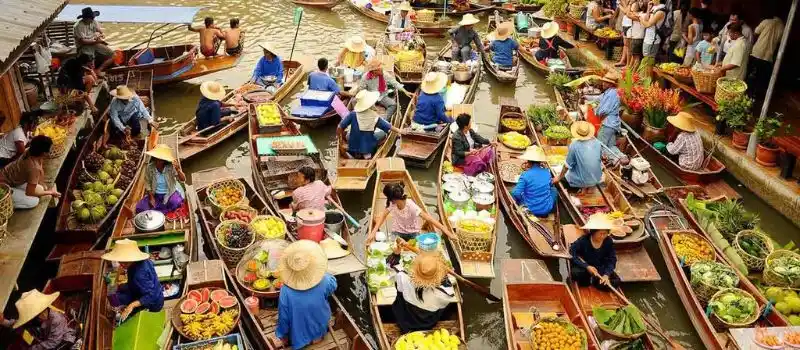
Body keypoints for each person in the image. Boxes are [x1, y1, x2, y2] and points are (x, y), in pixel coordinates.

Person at [276, 240, 337, 349]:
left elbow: (283, 318)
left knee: (296, 329)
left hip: (299, 335)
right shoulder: (325, 280)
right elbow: (333, 285)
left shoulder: (285, 291)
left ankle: (305, 341)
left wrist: (281, 335)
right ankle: (317, 338)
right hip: (320, 326)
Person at [366, 183, 457, 244]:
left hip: (413, 233)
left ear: (393, 199)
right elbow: (383, 217)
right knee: (393, 247)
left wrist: (449, 234)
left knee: (418, 248)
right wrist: (373, 233)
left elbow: (430, 219)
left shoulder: (411, 206)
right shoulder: (392, 204)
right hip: (397, 232)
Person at [102, 239, 164, 322]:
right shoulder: (142, 261)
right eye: (120, 261)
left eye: (124, 262)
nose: (121, 264)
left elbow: (151, 295)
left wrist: (132, 305)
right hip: (144, 290)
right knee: (119, 292)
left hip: (153, 303)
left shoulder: (138, 275)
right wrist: (121, 286)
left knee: (146, 320)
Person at [392, 252, 454, 333]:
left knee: (400, 295)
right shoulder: (445, 293)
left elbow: (392, 265)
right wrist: (444, 275)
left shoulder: (403, 277)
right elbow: (447, 291)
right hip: (427, 324)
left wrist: (396, 254)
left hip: (403, 321)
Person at [0, 289, 76, 350]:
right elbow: (18, 323)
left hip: (63, 341)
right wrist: (3, 321)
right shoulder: (34, 317)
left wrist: (33, 348)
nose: (42, 315)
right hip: (46, 337)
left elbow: (53, 342)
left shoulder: (56, 319)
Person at [338, 90, 404, 159]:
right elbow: (388, 126)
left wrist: (340, 142)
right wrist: (400, 131)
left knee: (348, 134)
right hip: (367, 146)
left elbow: (339, 127)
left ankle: (357, 153)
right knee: (384, 133)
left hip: (352, 145)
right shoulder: (374, 116)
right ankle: (367, 154)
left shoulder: (353, 114)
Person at [0, 136, 60, 209]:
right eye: (50, 149)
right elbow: (30, 192)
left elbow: (40, 168)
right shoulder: (33, 168)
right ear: (44, 153)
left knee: (41, 188)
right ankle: (7, 204)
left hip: (12, 179)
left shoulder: (30, 151)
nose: (52, 149)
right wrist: (50, 192)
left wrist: (44, 186)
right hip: (3, 186)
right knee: (34, 201)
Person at [569, 213, 621, 290]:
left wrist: (606, 275)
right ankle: (590, 280)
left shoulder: (608, 241)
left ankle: (595, 281)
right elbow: (572, 253)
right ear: (593, 232)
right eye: (601, 234)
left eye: (605, 234)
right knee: (576, 273)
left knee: (616, 281)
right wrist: (587, 266)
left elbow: (612, 260)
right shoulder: (583, 240)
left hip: (600, 268)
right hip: (585, 268)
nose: (603, 236)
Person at [135, 144, 186, 214]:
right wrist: (151, 197)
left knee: (175, 203)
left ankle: (160, 210)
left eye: (160, 159)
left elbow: (183, 179)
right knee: (140, 208)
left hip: (169, 193)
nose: (157, 161)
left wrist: (178, 169)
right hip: (156, 194)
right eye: (156, 158)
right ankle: (161, 210)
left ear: (164, 160)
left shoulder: (171, 167)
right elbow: (147, 183)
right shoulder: (150, 168)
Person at [554, 121, 603, 192]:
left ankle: (576, 188)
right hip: (596, 178)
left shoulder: (574, 145)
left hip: (580, 181)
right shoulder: (597, 143)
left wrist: (558, 177)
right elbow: (598, 159)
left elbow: (566, 166)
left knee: (561, 180)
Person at [512, 146, 557, 217]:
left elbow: (515, 193)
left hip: (529, 209)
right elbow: (548, 185)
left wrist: (521, 199)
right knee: (554, 190)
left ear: (529, 162)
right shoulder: (547, 172)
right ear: (540, 162)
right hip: (546, 209)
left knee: (514, 193)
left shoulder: (525, 175)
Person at [749, 11, 784, 97]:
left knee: (751, 73)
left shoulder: (766, 21)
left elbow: (756, 32)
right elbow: (780, 41)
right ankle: (756, 94)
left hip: (757, 52)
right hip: (768, 56)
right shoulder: (783, 27)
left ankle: (749, 91)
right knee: (761, 76)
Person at [594, 72, 627, 163]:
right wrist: (586, 97)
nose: (603, 83)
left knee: (600, 146)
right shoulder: (610, 92)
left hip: (607, 124)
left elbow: (603, 111)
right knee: (611, 146)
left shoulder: (611, 94)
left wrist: (596, 109)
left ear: (611, 84)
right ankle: (623, 156)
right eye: (603, 82)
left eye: (606, 82)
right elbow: (598, 98)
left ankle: (616, 159)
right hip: (613, 124)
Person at [73, 7, 113, 74]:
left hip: (95, 43)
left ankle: (99, 70)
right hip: (84, 46)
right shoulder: (78, 26)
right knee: (90, 62)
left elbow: (99, 30)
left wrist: (101, 34)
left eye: (93, 17)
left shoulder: (93, 21)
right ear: (85, 18)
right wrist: (96, 41)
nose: (92, 19)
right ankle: (92, 74)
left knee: (113, 55)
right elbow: (82, 41)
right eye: (91, 18)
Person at [636, 0, 667, 74]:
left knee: (649, 62)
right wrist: (648, 9)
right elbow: (646, 19)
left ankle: (648, 82)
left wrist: (639, 18)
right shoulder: (655, 8)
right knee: (646, 60)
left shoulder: (660, 11)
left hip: (653, 39)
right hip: (648, 38)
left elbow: (647, 24)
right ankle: (645, 80)